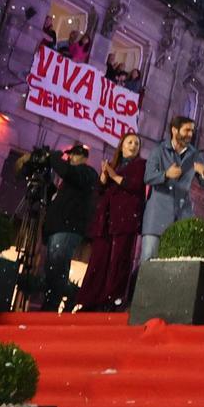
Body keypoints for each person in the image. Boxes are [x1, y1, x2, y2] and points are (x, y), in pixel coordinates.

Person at [16, 142, 98, 312]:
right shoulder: (70, 181)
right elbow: (57, 197)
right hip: (58, 228)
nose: (70, 158)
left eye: (73, 155)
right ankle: (50, 304)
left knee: (57, 269)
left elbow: (68, 172)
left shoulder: (87, 172)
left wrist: (52, 157)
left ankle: (51, 308)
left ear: (82, 157)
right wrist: (47, 182)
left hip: (68, 229)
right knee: (51, 270)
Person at [78, 133, 146, 310]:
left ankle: (112, 299)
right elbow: (100, 190)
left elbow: (135, 185)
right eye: (129, 142)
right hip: (107, 219)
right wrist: (104, 176)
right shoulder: (114, 164)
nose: (133, 145)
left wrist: (113, 175)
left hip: (126, 218)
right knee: (99, 259)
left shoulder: (140, 164)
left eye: (136, 143)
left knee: (120, 260)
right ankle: (90, 299)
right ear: (122, 145)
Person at [140, 115, 204, 264]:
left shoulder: (195, 155)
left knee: (172, 268)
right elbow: (148, 176)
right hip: (157, 218)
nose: (190, 134)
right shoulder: (159, 151)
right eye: (187, 130)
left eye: (192, 131)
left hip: (181, 218)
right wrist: (166, 174)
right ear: (174, 130)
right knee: (148, 264)